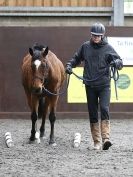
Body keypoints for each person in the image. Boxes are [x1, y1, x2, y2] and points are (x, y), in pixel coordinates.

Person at [65, 22, 123, 150]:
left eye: (98, 35)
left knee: (104, 109)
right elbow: (76, 58)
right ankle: (97, 141)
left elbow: (120, 62)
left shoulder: (108, 48)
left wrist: (116, 62)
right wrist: (69, 65)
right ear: (91, 35)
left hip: (104, 85)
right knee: (92, 113)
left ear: (102, 36)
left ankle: (106, 138)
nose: (96, 37)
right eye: (94, 35)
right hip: (90, 85)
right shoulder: (85, 47)